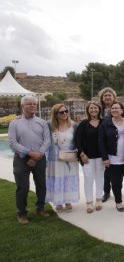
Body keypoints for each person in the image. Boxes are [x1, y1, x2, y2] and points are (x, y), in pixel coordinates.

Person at [8, 96, 51, 224]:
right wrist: (29, 153)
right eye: (29, 104)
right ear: (22, 106)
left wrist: (40, 153)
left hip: (40, 158)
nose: (32, 106)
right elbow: (12, 143)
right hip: (21, 160)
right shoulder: (14, 123)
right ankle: (21, 213)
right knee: (23, 187)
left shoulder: (42, 122)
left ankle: (40, 208)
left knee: (41, 185)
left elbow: (47, 140)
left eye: (34, 104)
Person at [98, 101, 124, 212]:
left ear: (122, 110)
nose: (114, 110)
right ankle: (118, 202)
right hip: (113, 159)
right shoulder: (106, 123)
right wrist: (105, 158)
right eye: (112, 108)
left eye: (117, 108)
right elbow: (101, 141)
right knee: (116, 182)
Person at [46, 103, 80, 213]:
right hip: (54, 160)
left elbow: (80, 140)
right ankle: (58, 201)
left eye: (66, 111)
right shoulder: (49, 125)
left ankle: (68, 200)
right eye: (61, 112)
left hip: (68, 158)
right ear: (55, 114)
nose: (65, 113)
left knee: (68, 179)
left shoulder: (74, 125)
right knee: (57, 179)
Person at [75, 101, 104, 213]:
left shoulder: (104, 122)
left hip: (101, 156)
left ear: (99, 110)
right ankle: (89, 202)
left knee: (100, 178)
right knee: (88, 179)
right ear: (88, 110)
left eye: (95, 108)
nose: (93, 110)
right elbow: (78, 140)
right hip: (87, 157)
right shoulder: (83, 123)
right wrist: (82, 154)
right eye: (91, 108)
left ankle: (98, 200)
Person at [98, 87, 117, 202]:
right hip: (102, 143)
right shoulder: (99, 110)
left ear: (114, 97)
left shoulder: (118, 108)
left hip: (115, 143)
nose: (107, 97)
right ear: (102, 98)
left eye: (110, 95)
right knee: (106, 170)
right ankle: (106, 191)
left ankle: (118, 190)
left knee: (118, 169)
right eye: (105, 95)